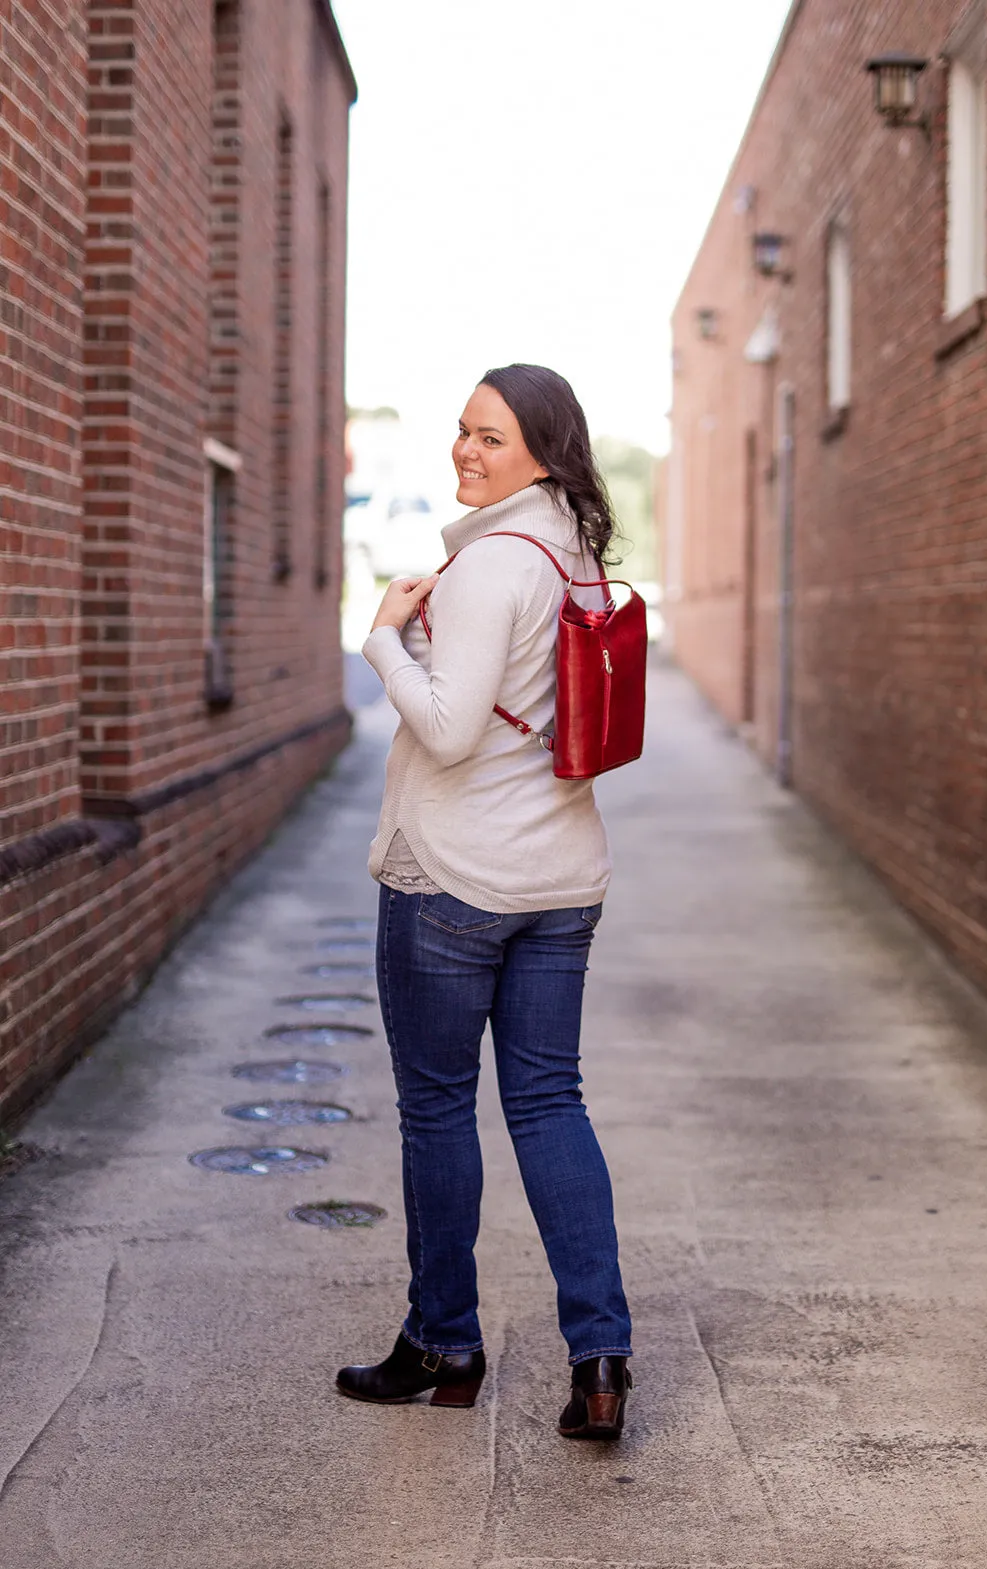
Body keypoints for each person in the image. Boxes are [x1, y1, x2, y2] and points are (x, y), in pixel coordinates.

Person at [335, 364, 633, 1441]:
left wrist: (380, 641)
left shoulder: (487, 567)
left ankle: (442, 1341)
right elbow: (514, 701)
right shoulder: (576, 560)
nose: (464, 450)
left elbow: (451, 730)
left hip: (453, 883)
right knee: (551, 1105)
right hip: (559, 882)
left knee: (436, 1109)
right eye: (461, 431)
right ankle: (600, 1356)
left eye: (490, 437)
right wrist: (428, 651)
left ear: (543, 455)